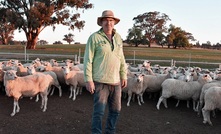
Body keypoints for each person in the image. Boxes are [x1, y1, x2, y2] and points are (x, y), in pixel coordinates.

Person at [83, 10, 128, 134]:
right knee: (99, 112)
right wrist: (88, 79)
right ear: (101, 22)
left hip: (116, 81)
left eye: (111, 20)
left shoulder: (118, 38)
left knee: (116, 110)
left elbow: (121, 58)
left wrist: (123, 75)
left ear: (114, 23)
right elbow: (88, 59)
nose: (108, 23)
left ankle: (110, 131)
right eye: (106, 20)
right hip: (100, 81)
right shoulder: (94, 38)